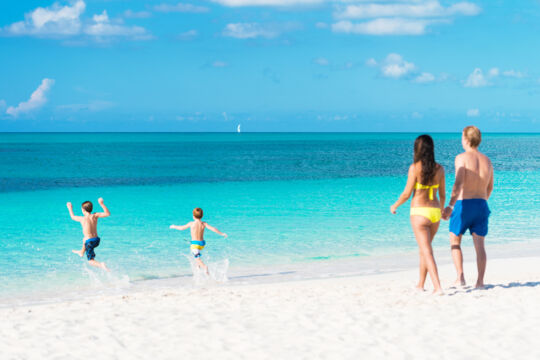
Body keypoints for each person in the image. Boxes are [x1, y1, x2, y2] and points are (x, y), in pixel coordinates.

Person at [391, 135, 446, 295]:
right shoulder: (440, 169)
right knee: (425, 249)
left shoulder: (415, 168)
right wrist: (442, 211)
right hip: (435, 212)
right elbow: (442, 194)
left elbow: (407, 194)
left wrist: (394, 205)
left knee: (426, 251)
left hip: (419, 212)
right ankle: (420, 284)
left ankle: (437, 286)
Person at [443, 126, 493, 289]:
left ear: (466, 139)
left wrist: (450, 206)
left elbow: (458, 184)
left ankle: (460, 277)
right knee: (480, 246)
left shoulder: (461, 158)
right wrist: (482, 200)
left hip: (463, 204)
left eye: (462, 136)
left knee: (454, 240)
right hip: (481, 204)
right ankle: (480, 282)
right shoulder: (487, 160)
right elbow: (490, 186)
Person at [170, 207, 227, 274]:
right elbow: (213, 229)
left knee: (197, 258)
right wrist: (222, 233)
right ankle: (198, 267)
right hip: (202, 244)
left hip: (195, 244)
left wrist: (174, 226)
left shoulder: (191, 223)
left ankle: (204, 267)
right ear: (202, 216)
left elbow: (182, 228)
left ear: (193, 216)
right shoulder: (204, 224)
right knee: (197, 255)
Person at [68, 198, 110, 271]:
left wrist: (70, 208)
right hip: (97, 240)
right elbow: (107, 214)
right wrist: (101, 204)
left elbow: (72, 217)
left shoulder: (82, 218)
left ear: (83, 210)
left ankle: (101, 265)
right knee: (84, 239)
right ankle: (81, 252)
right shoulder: (95, 215)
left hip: (90, 242)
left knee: (90, 261)